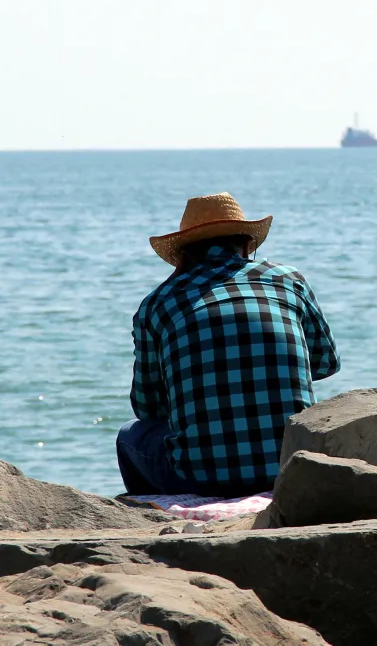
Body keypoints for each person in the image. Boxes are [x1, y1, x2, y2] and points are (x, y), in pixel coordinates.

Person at [117, 192, 340, 496]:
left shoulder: (157, 303)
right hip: (291, 466)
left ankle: (153, 512)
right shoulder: (288, 280)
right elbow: (326, 363)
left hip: (199, 478)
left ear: (181, 255)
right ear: (247, 245)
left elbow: (147, 407)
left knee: (128, 436)